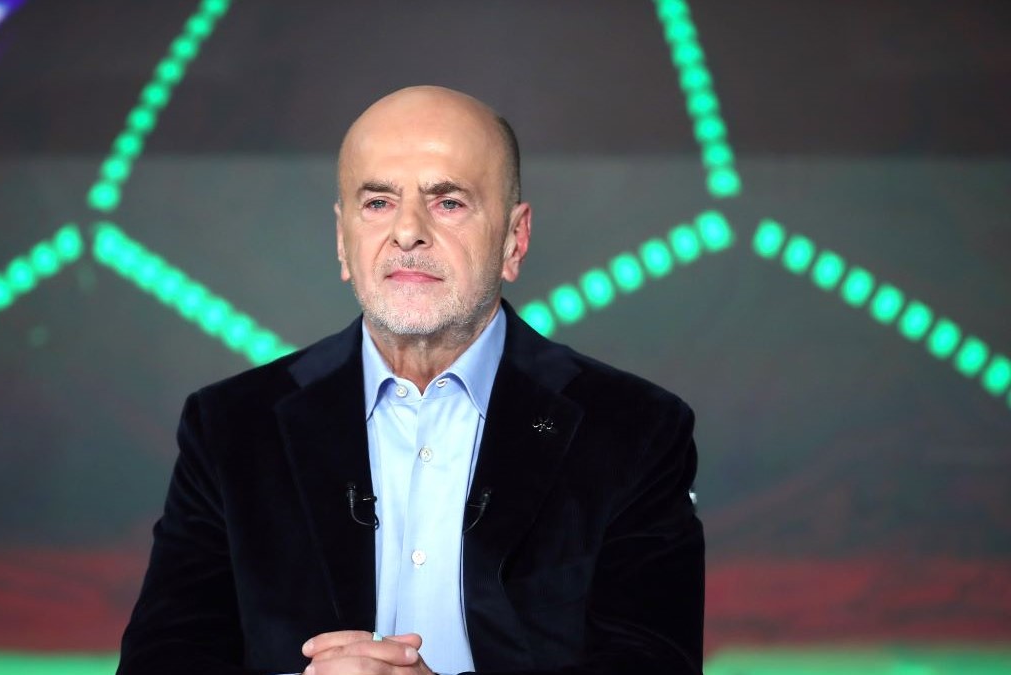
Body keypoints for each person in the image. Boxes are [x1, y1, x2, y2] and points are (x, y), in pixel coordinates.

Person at [117, 85, 703, 674]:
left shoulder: (635, 430)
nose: (407, 232)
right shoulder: (230, 428)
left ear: (514, 239)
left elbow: (655, 665)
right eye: (378, 203)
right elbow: (160, 661)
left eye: (448, 202)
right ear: (342, 240)